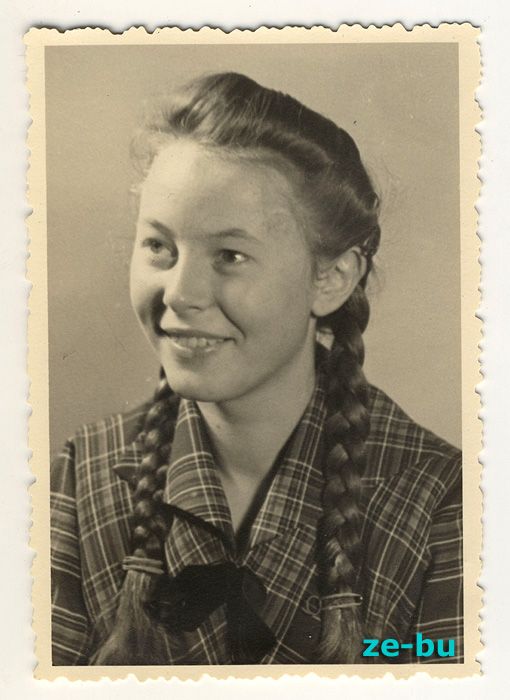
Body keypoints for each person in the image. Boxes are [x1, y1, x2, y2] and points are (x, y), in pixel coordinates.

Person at [50, 72, 463, 666]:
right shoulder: (79, 476)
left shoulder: (440, 500)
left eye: (230, 256)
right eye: (160, 247)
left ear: (331, 279)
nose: (180, 294)